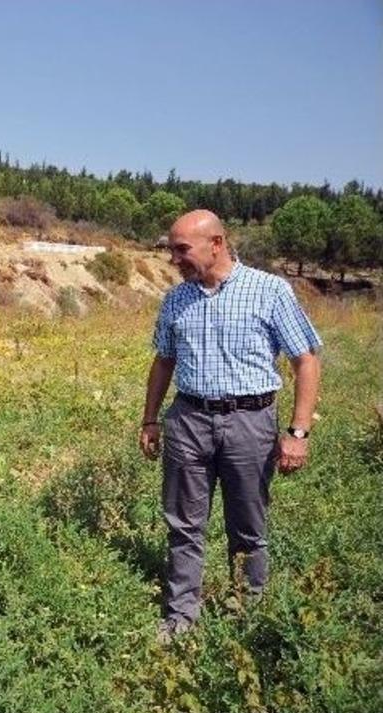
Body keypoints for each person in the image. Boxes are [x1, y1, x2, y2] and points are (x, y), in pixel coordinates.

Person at [139, 209, 321, 643]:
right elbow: (163, 361)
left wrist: (297, 432)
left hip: (249, 422)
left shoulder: (269, 290)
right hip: (188, 420)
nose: (174, 260)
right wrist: (150, 418)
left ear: (216, 243)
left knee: (248, 527)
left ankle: (246, 613)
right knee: (183, 524)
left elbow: (306, 360)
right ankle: (182, 616)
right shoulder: (176, 300)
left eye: (182, 250)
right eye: (172, 250)